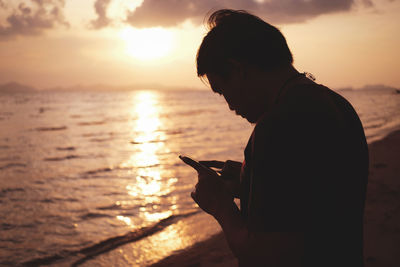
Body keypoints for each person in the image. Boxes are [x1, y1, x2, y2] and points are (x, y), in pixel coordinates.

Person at [180, 9, 368, 267]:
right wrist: (251, 181)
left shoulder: (278, 127)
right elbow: (316, 201)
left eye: (222, 91)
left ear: (238, 70)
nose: (229, 105)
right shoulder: (336, 104)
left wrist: (220, 205)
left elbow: (266, 256)